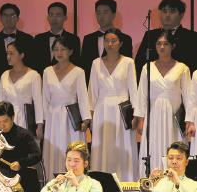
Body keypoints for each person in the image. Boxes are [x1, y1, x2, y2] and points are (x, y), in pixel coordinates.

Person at [134, 30, 196, 178]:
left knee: (174, 148)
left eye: (166, 44)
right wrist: (140, 119)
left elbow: (189, 97)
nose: (162, 47)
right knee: (153, 147)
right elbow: (142, 95)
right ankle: (152, 181)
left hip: (173, 118)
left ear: (172, 46)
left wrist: (189, 120)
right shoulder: (147, 67)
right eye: (159, 43)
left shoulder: (182, 68)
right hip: (153, 116)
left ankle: (174, 180)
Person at [89, 30, 139, 182]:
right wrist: (91, 117)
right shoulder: (96, 63)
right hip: (102, 110)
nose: (110, 44)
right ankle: (102, 182)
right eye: (107, 41)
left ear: (120, 43)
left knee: (123, 145)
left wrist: (136, 115)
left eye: (113, 41)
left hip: (122, 110)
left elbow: (133, 91)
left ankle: (125, 182)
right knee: (103, 147)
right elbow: (92, 93)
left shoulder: (128, 62)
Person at [42, 37, 91, 176]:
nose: (59, 53)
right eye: (56, 49)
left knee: (72, 150)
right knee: (54, 150)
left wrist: (86, 119)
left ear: (70, 51)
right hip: (53, 118)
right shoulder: (47, 71)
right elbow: (45, 98)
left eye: (63, 49)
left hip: (71, 118)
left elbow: (83, 97)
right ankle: (54, 182)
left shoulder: (78, 71)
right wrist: (43, 121)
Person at [0, 101, 44, 192]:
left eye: (5, 121)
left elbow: (37, 155)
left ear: (13, 117)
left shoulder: (24, 134)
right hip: (1, 180)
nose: (2, 125)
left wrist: (21, 163)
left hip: (23, 178)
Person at [135, 0, 197, 77]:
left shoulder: (192, 37)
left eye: (172, 11)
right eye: (164, 11)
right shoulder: (150, 35)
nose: (167, 15)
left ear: (181, 15)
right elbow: (139, 64)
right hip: (153, 82)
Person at [0, 40, 44, 138]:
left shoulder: (33, 75)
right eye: (7, 53)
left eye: (11, 53)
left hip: (26, 119)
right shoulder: (4, 75)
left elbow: (38, 102)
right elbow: (1, 103)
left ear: (21, 55)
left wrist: (39, 125)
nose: (8, 56)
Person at [81, 0, 132, 84]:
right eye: (98, 13)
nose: (101, 16)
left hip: (117, 85)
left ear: (114, 15)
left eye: (105, 12)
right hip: (92, 85)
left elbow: (127, 67)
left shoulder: (125, 39)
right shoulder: (88, 39)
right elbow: (84, 66)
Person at [0, 3, 35, 84]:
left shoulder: (28, 39)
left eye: (12, 15)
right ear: (1, 18)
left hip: (23, 84)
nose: (8, 18)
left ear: (17, 18)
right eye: (5, 15)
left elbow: (31, 63)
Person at [31, 1, 81, 73]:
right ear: (48, 17)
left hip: (65, 78)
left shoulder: (73, 39)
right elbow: (34, 64)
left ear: (65, 17)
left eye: (58, 15)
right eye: (51, 15)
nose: (54, 18)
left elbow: (75, 63)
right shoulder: (38, 39)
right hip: (42, 78)